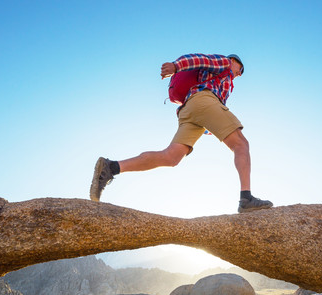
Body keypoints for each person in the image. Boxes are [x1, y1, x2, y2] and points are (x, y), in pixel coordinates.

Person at [90, 53, 272, 213]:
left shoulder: (226, 84)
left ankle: (111, 167)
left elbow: (213, 112)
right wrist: (176, 67)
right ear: (233, 61)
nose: (240, 73)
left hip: (189, 110)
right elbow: (200, 59)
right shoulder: (224, 62)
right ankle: (246, 198)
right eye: (241, 68)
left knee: (170, 157)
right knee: (241, 144)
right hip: (203, 100)